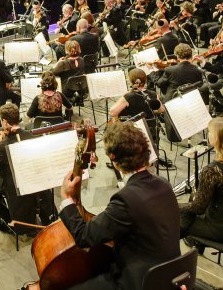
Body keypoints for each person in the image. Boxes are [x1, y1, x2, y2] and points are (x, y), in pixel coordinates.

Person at [59, 121, 180, 290]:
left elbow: (83, 237)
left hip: (141, 282)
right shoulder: (163, 184)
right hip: (172, 274)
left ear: (114, 159)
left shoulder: (126, 199)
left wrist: (66, 198)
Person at [0, 103, 55, 233]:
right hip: (34, 179)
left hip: (14, 185)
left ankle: (7, 219)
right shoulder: (33, 136)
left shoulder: (1, 147)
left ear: (5, 122)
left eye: (1, 120)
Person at [180, 116, 223, 245]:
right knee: (190, 205)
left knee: (177, 216)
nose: (208, 134)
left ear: (216, 139)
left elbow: (199, 208)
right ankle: (195, 243)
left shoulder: (212, 171)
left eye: (209, 132)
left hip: (218, 228)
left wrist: (177, 208)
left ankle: (168, 255)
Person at [109, 68, 164, 139]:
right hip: (151, 132)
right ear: (145, 80)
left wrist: (123, 97)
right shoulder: (153, 94)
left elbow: (112, 112)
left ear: (131, 81)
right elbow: (161, 110)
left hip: (135, 133)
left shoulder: (128, 96)